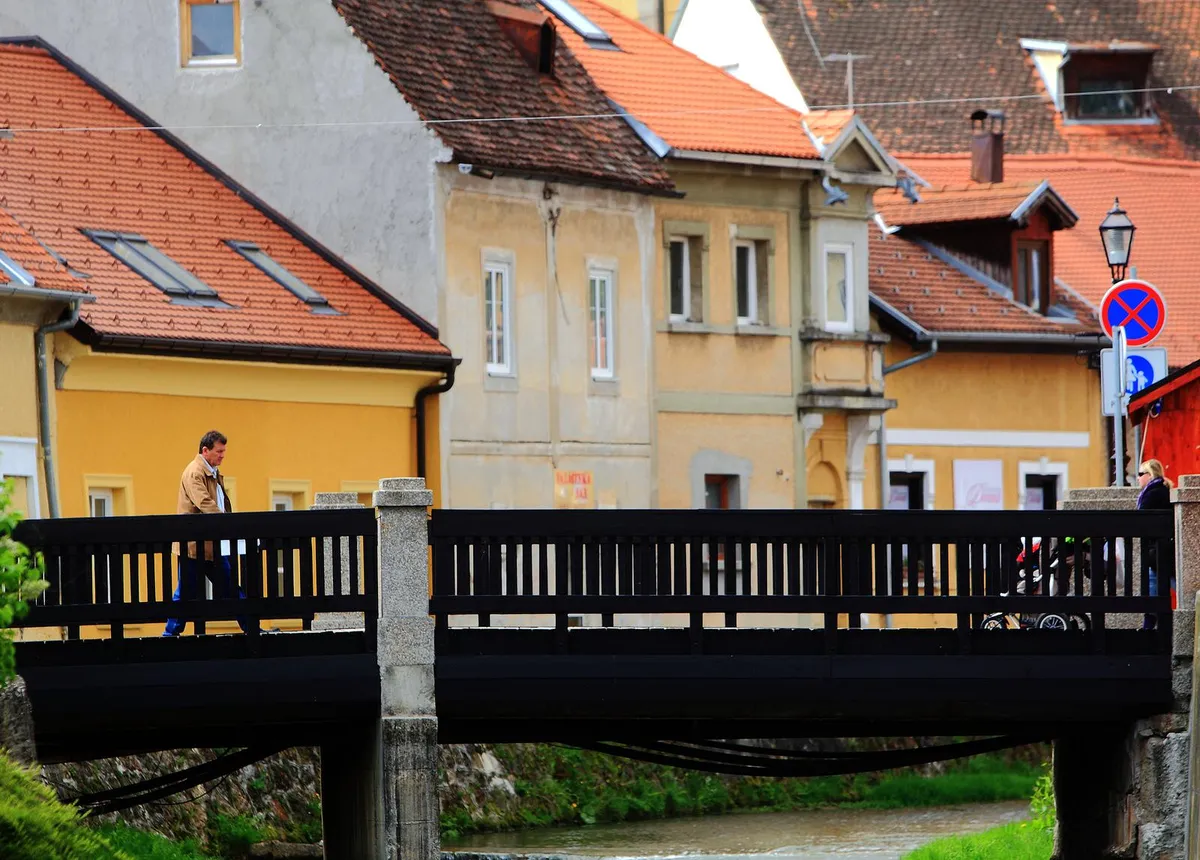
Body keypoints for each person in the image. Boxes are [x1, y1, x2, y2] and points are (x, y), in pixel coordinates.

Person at [163, 431, 260, 636]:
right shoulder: (195, 472)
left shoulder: (211, 471)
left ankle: (250, 627)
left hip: (210, 545)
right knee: (186, 593)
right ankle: (170, 634)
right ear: (205, 451)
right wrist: (228, 524)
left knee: (230, 588)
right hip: (194, 546)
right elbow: (205, 503)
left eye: (224, 451)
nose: (223, 455)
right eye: (219, 451)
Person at [1137, 458, 1173, 630]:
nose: (1138, 478)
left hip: (1159, 550)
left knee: (1159, 586)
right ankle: (1150, 627)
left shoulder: (1153, 492)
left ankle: (1150, 628)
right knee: (1155, 587)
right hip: (1159, 550)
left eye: (1140, 474)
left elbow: (1142, 516)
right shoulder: (1161, 490)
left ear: (1149, 475)